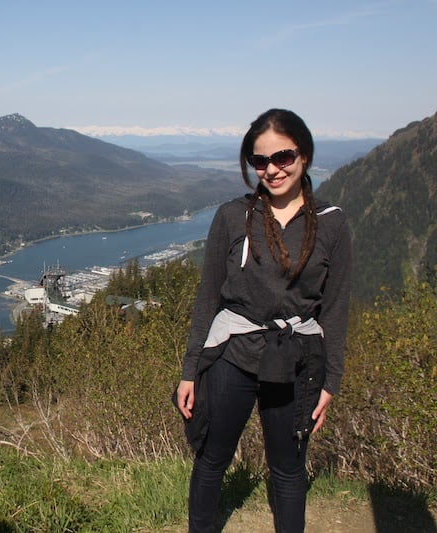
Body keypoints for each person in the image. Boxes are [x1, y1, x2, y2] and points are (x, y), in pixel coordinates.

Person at [175, 108, 352, 532]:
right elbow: (208, 297)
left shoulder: (331, 225)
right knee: (212, 458)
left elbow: (337, 308)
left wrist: (331, 381)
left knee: (288, 467)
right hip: (233, 355)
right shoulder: (233, 217)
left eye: (283, 157)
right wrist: (189, 370)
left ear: (304, 155)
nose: (271, 170)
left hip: (296, 361)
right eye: (260, 161)